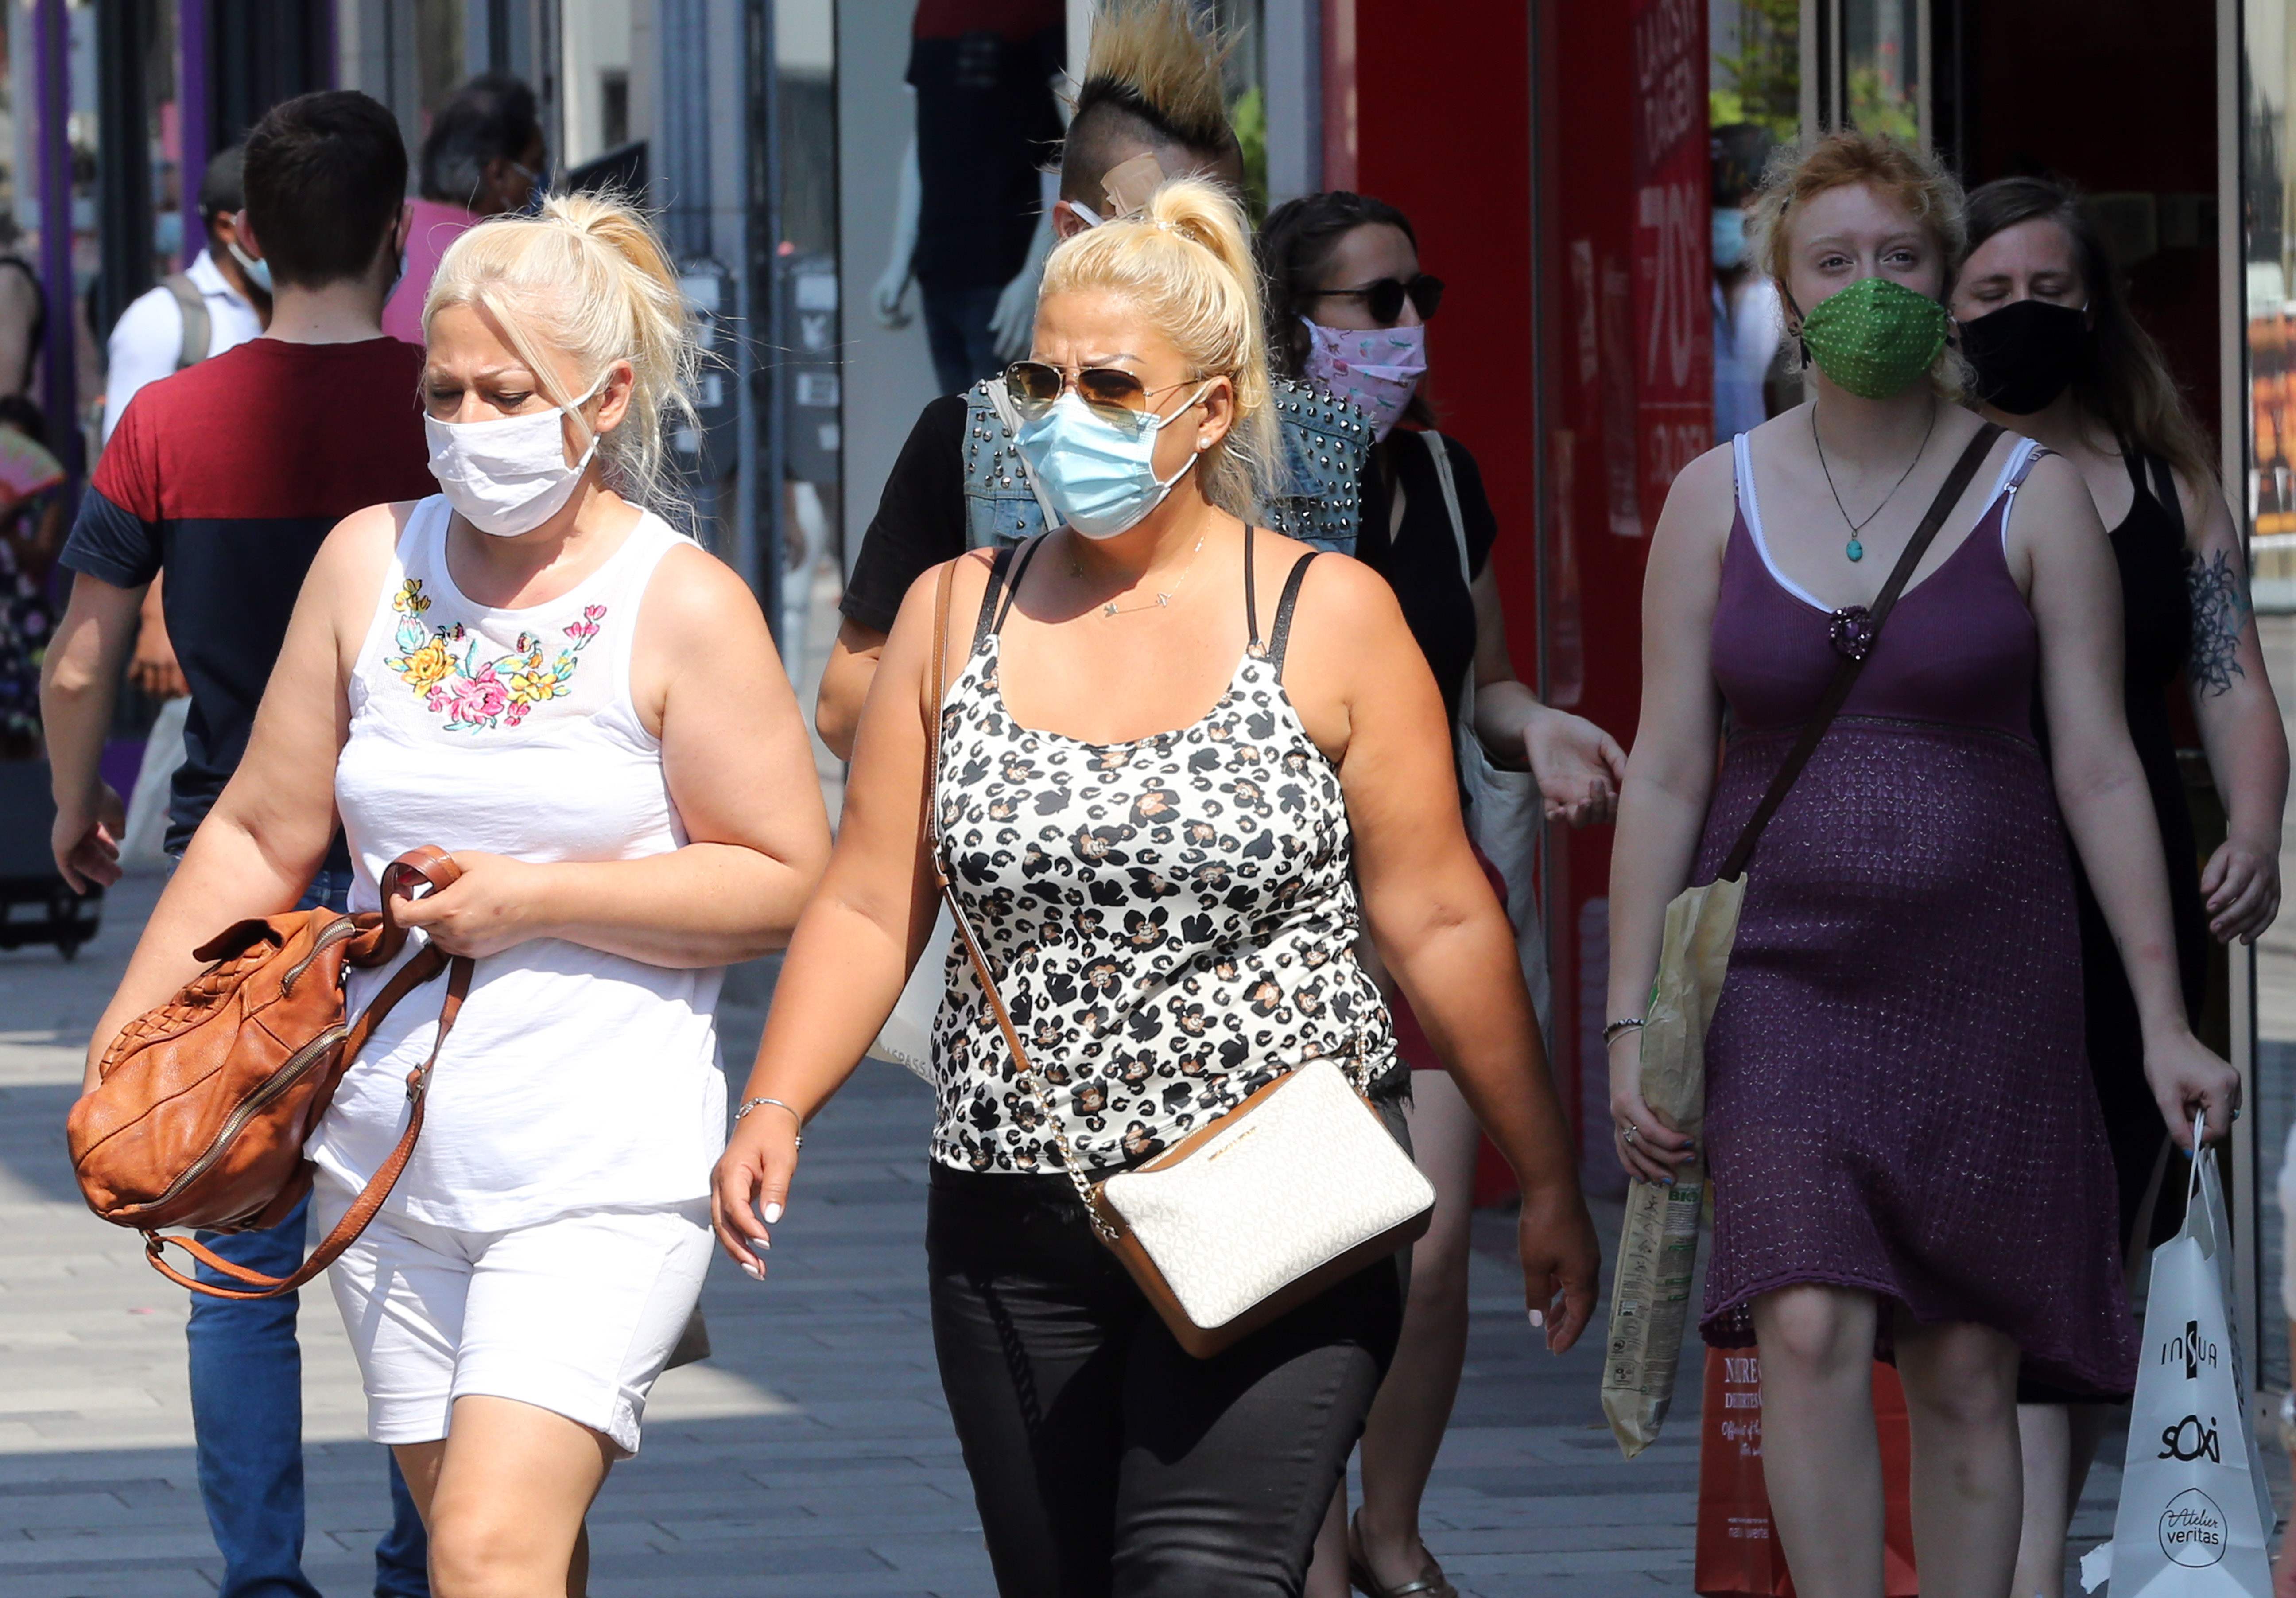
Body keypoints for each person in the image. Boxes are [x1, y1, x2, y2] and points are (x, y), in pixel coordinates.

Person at [713, 173, 1598, 1598]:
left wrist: (1544, 1173)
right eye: (1038, 378)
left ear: (1215, 404)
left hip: (1277, 1197)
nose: (1063, 413)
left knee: (1204, 1572)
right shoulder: (955, 611)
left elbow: (1437, 914)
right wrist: (775, 1101)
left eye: (1111, 384)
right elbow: (875, 898)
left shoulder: (1328, 614)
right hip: (1014, 1207)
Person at [82, 190, 832, 1598]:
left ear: (604, 398)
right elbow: (256, 825)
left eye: (509, 390)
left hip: (600, 1172)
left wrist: (537, 899)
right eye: (444, 388)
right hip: (382, 1172)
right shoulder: (372, 560)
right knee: (495, 1550)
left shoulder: (682, 603)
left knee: (485, 1550)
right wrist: (131, 1048)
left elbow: (786, 875)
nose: (470, 419)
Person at [1604, 130, 2240, 1597]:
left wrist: (2157, 1019)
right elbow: (1670, 772)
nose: (1872, 286)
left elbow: (2098, 764)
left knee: (1966, 1358)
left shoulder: (2032, 494)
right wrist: (1635, 1014)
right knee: (1809, 1321)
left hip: (1989, 984)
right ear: (1785, 286)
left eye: (1901, 258)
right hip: (1782, 982)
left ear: (1945, 286)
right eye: (1836, 260)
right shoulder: (1717, 498)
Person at [40, 90, 436, 1598]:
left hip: (239, 877)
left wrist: (79, 810)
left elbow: (82, 656)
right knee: (424, 1237)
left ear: (247, 241)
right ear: (400, 236)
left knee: (239, 1252)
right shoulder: (445, 403)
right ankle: (424, 1558)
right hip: (420, 883)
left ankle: (262, 1576)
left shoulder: (167, 421)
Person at [1255, 188, 1624, 1598]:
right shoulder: (1239, 481)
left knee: (1421, 1255)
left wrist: (1543, 729)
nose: (1409, 327)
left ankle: (1392, 1522)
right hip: (1289, 914)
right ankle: (1320, 1539)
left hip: (1433, 902)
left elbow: (1491, 684)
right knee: (1311, 1255)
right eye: (1375, 301)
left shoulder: (1449, 475)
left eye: (1422, 296)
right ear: (1295, 323)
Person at [1949, 174, 2290, 1598]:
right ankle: (2014, 1564)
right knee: (1993, 1245)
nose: (2026, 317)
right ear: (1944, 313)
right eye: (1992, 295)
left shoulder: (2168, 478)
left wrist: (2259, 824)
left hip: (2129, 894)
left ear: (2099, 307)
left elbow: (2233, 687)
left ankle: (2030, 1559)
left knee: (2096, 1250)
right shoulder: (1918, 466)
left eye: (2052, 292)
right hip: (1959, 885)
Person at [820, 0, 1370, 761]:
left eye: (1209, 237)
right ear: (1072, 232)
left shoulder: (1333, 451)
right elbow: (847, 705)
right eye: (1152, 234)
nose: (1184, 272)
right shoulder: (971, 440)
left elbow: (1409, 717)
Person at [873, 0, 1067, 394]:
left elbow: (1075, 145)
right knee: (957, 441)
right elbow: (924, 139)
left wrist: (1036, 272)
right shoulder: (931, 13)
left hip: (1004, 271)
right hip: (939, 273)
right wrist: (900, 260)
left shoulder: (1039, 11)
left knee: (1007, 443)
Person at [102, 145, 270, 443]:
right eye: (279, 224)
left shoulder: (308, 308)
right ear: (227, 228)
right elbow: (127, 465)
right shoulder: (160, 320)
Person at [382, 72, 545, 346]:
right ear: (499, 174)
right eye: (535, 166)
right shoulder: (506, 262)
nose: (539, 182)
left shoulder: (384, 229)